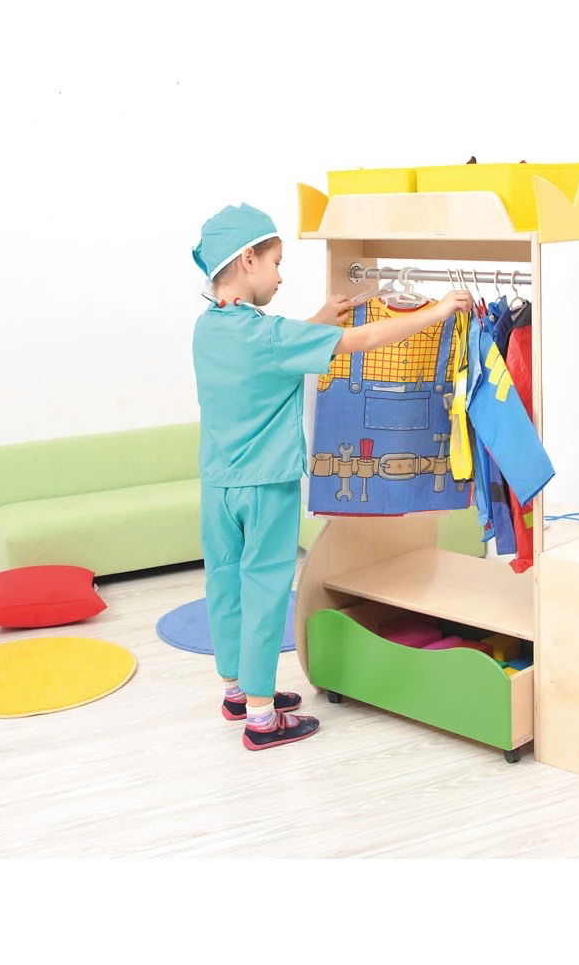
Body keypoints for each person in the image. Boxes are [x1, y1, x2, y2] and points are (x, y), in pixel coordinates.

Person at [191, 202, 471, 750]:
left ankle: (237, 691)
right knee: (266, 588)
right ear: (247, 260)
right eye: (275, 263)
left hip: (217, 484)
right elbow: (360, 343)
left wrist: (319, 319)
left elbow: (273, 346)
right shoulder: (270, 336)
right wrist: (436, 313)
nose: (279, 276)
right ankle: (262, 719)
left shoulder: (210, 328)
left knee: (224, 582)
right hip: (265, 485)